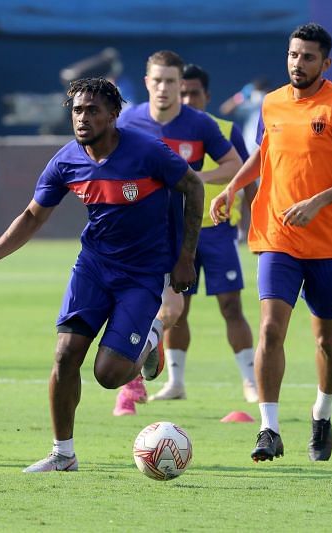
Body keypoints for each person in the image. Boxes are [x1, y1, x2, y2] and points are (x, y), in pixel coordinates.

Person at [0, 78, 204, 472]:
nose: (83, 117)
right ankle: (63, 454)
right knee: (64, 354)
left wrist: (185, 256)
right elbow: (31, 216)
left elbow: (193, 187)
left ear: (113, 115)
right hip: (94, 267)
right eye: (76, 110)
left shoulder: (146, 151)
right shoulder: (65, 161)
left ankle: (152, 337)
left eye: (92, 110)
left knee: (108, 376)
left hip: (142, 274)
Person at [210, 23, 332, 462]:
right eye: (292, 55)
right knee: (269, 328)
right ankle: (269, 429)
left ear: (326, 62)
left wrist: (319, 202)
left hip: (330, 242)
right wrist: (231, 188)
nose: (297, 64)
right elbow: (265, 152)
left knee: (327, 340)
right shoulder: (272, 103)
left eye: (307, 57)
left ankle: (322, 413)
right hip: (278, 236)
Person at [112, 50, 243, 415]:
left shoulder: (199, 124)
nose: (165, 88)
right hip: (135, 231)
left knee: (170, 307)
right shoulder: (128, 122)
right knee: (134, 305)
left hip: (178, 230)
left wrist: (195, 179)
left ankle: (144, 353)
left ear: (179, 84)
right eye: (158, 81)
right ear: (146, 83)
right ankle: (130, 386)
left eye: (172, 82)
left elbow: (234, 164)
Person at [146, 63, 258, 403]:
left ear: (207, 96)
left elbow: (247, 176)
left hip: (218, 231)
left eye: (194, 92)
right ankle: (175, 382)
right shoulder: (162, 129)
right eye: (183, 92)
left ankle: (250, 381)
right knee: (178, 309)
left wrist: (251, 224)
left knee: (231, 306)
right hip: (178, 234)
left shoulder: (222, 129)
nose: (187, 98)